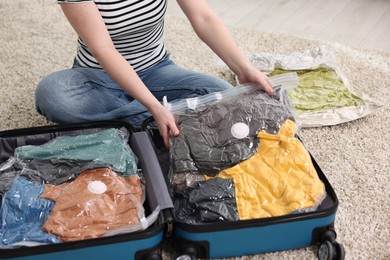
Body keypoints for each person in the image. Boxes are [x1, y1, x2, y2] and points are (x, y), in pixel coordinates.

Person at [35, 0, 273, 147]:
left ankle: (133, 120)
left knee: (219, 91)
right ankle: (163, 118)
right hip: (98, 79)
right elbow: (103, 49)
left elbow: (204, 18)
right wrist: (154, 107)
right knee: (53, 95)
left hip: (156, 71)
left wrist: (244, 67)